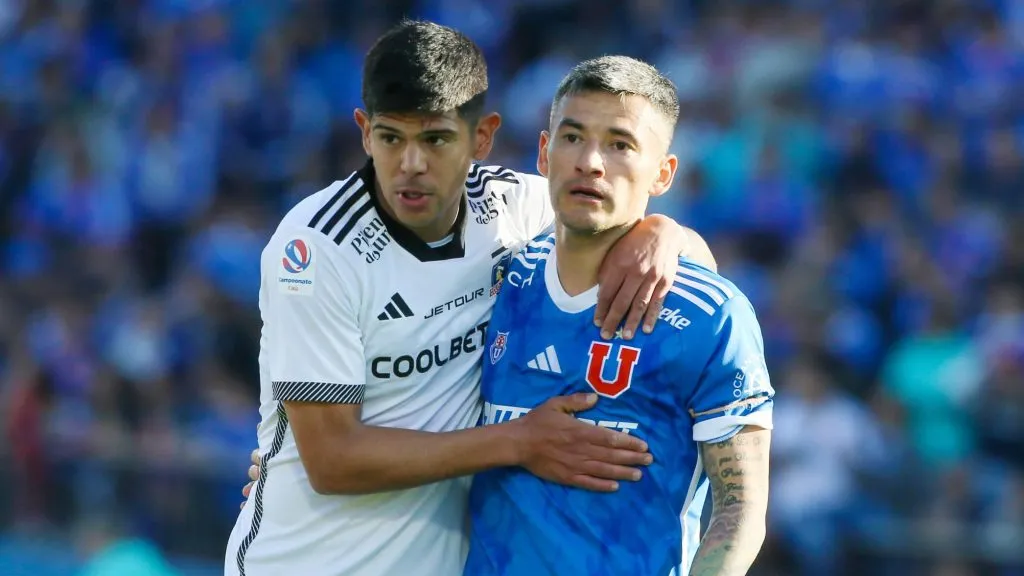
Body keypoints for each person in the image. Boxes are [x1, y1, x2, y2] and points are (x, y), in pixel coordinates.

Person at [225, 21, 717, 576]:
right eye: (391, 138)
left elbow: (621, 219)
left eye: (435, 139)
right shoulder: (316, 249)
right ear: (364, 132)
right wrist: (518, 441)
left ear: (481, 137)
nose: (411, 164)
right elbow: (333, 460)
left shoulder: (513, 210)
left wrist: (665, 235)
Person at [465, 56, 774, 576]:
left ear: (664, 173)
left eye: (620, 144)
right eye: (572, 137)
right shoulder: (500, 275)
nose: (590, 161)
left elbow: (740, 510)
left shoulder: (709, 316)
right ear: (543, 153)